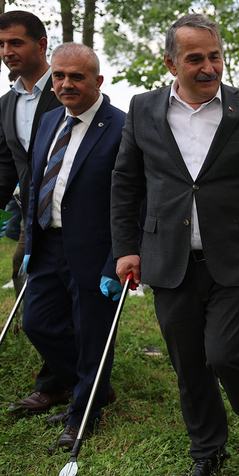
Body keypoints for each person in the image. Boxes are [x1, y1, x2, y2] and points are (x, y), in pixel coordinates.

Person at [110, 13, 239, 476]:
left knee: (229, 356)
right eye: (195, 58)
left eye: (215, 56)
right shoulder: (142, 108)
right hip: (167, 258)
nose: (209, 66)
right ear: (171, 63)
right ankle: (207, 449)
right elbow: (126, 181)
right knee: (189, 364)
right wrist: (126, 248)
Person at [22, 42, 125, 451]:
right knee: (38, 323)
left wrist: (117, 258)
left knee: (92, 335)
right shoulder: (48, 121)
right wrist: (31, 239)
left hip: (96, 251)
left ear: (97, 81)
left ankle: (83, 415)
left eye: (77, 77)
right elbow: (34, 185)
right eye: (59, 76)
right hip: (48, 243)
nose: (66, 84)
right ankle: (93, 386)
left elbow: (133, 200)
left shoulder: (122, 127)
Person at [0, 10, 72, 419]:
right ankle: (66, 376)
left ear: (41, 44)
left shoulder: (69, 83)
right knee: (27, 283)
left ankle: (59, 384)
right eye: (2, 45)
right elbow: (7, 165)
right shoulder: (6, 104)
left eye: (16, 43)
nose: (7, 52)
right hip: (34, 217)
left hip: (77, 214)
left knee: (71, 299)